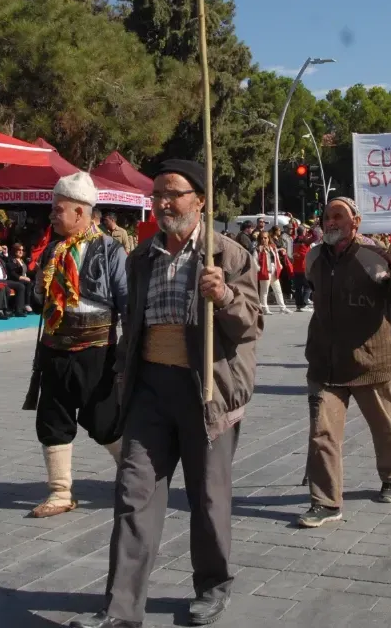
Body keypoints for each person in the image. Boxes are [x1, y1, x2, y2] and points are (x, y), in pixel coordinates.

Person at [70, 160, 262, 628]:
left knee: (208, 498)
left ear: (200, 199)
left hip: (206, 392)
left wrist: (227, 299)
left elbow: (253, 322)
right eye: (158, 194)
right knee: (134, 495)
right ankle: (121, 610)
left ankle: (213, 586)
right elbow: (131, 322)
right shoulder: (141, 257)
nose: (163, 202)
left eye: (173, 193)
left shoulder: (228, 256)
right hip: (150, 390)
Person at [297, 196, 391, 530]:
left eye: (339, 216)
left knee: (385, 429)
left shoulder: (376, 257)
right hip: (326, 364)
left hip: (372, 363)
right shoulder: (313, 258)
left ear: (357, 221)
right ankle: (325, 502)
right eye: (327, 217)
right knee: (322, 433)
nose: (331, 222)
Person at [25, 173, 128, 519]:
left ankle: (133, 474)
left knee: (104, 420)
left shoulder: (110, 250)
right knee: (53, 417)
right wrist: (41, 288)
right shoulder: (53, 251)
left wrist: (128, 350)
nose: (52, 216)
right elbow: (41, 299)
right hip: (55, 347)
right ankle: (60, 492)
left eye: (59, 210)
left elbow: (125, 299)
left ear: (80, 214)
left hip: (97, 349)